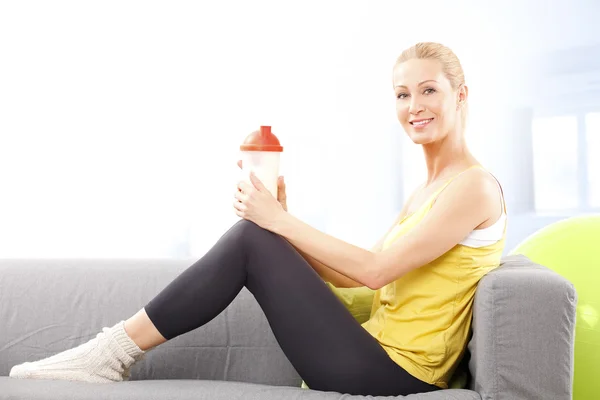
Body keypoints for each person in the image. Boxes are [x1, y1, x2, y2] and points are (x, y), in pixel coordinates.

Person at [9, 41, 507, 396]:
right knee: (260, 235)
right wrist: (284, 222)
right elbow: (371, 287)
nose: (414, 106)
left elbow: (374, 270)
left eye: (428, 91)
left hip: (396, 374)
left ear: (460, 95)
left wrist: (278, 225)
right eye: (402, 94)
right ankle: (106, 355)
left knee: (253, 237)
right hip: (373, 352)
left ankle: (107, 356)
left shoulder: (474, 187)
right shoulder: (428, 190)